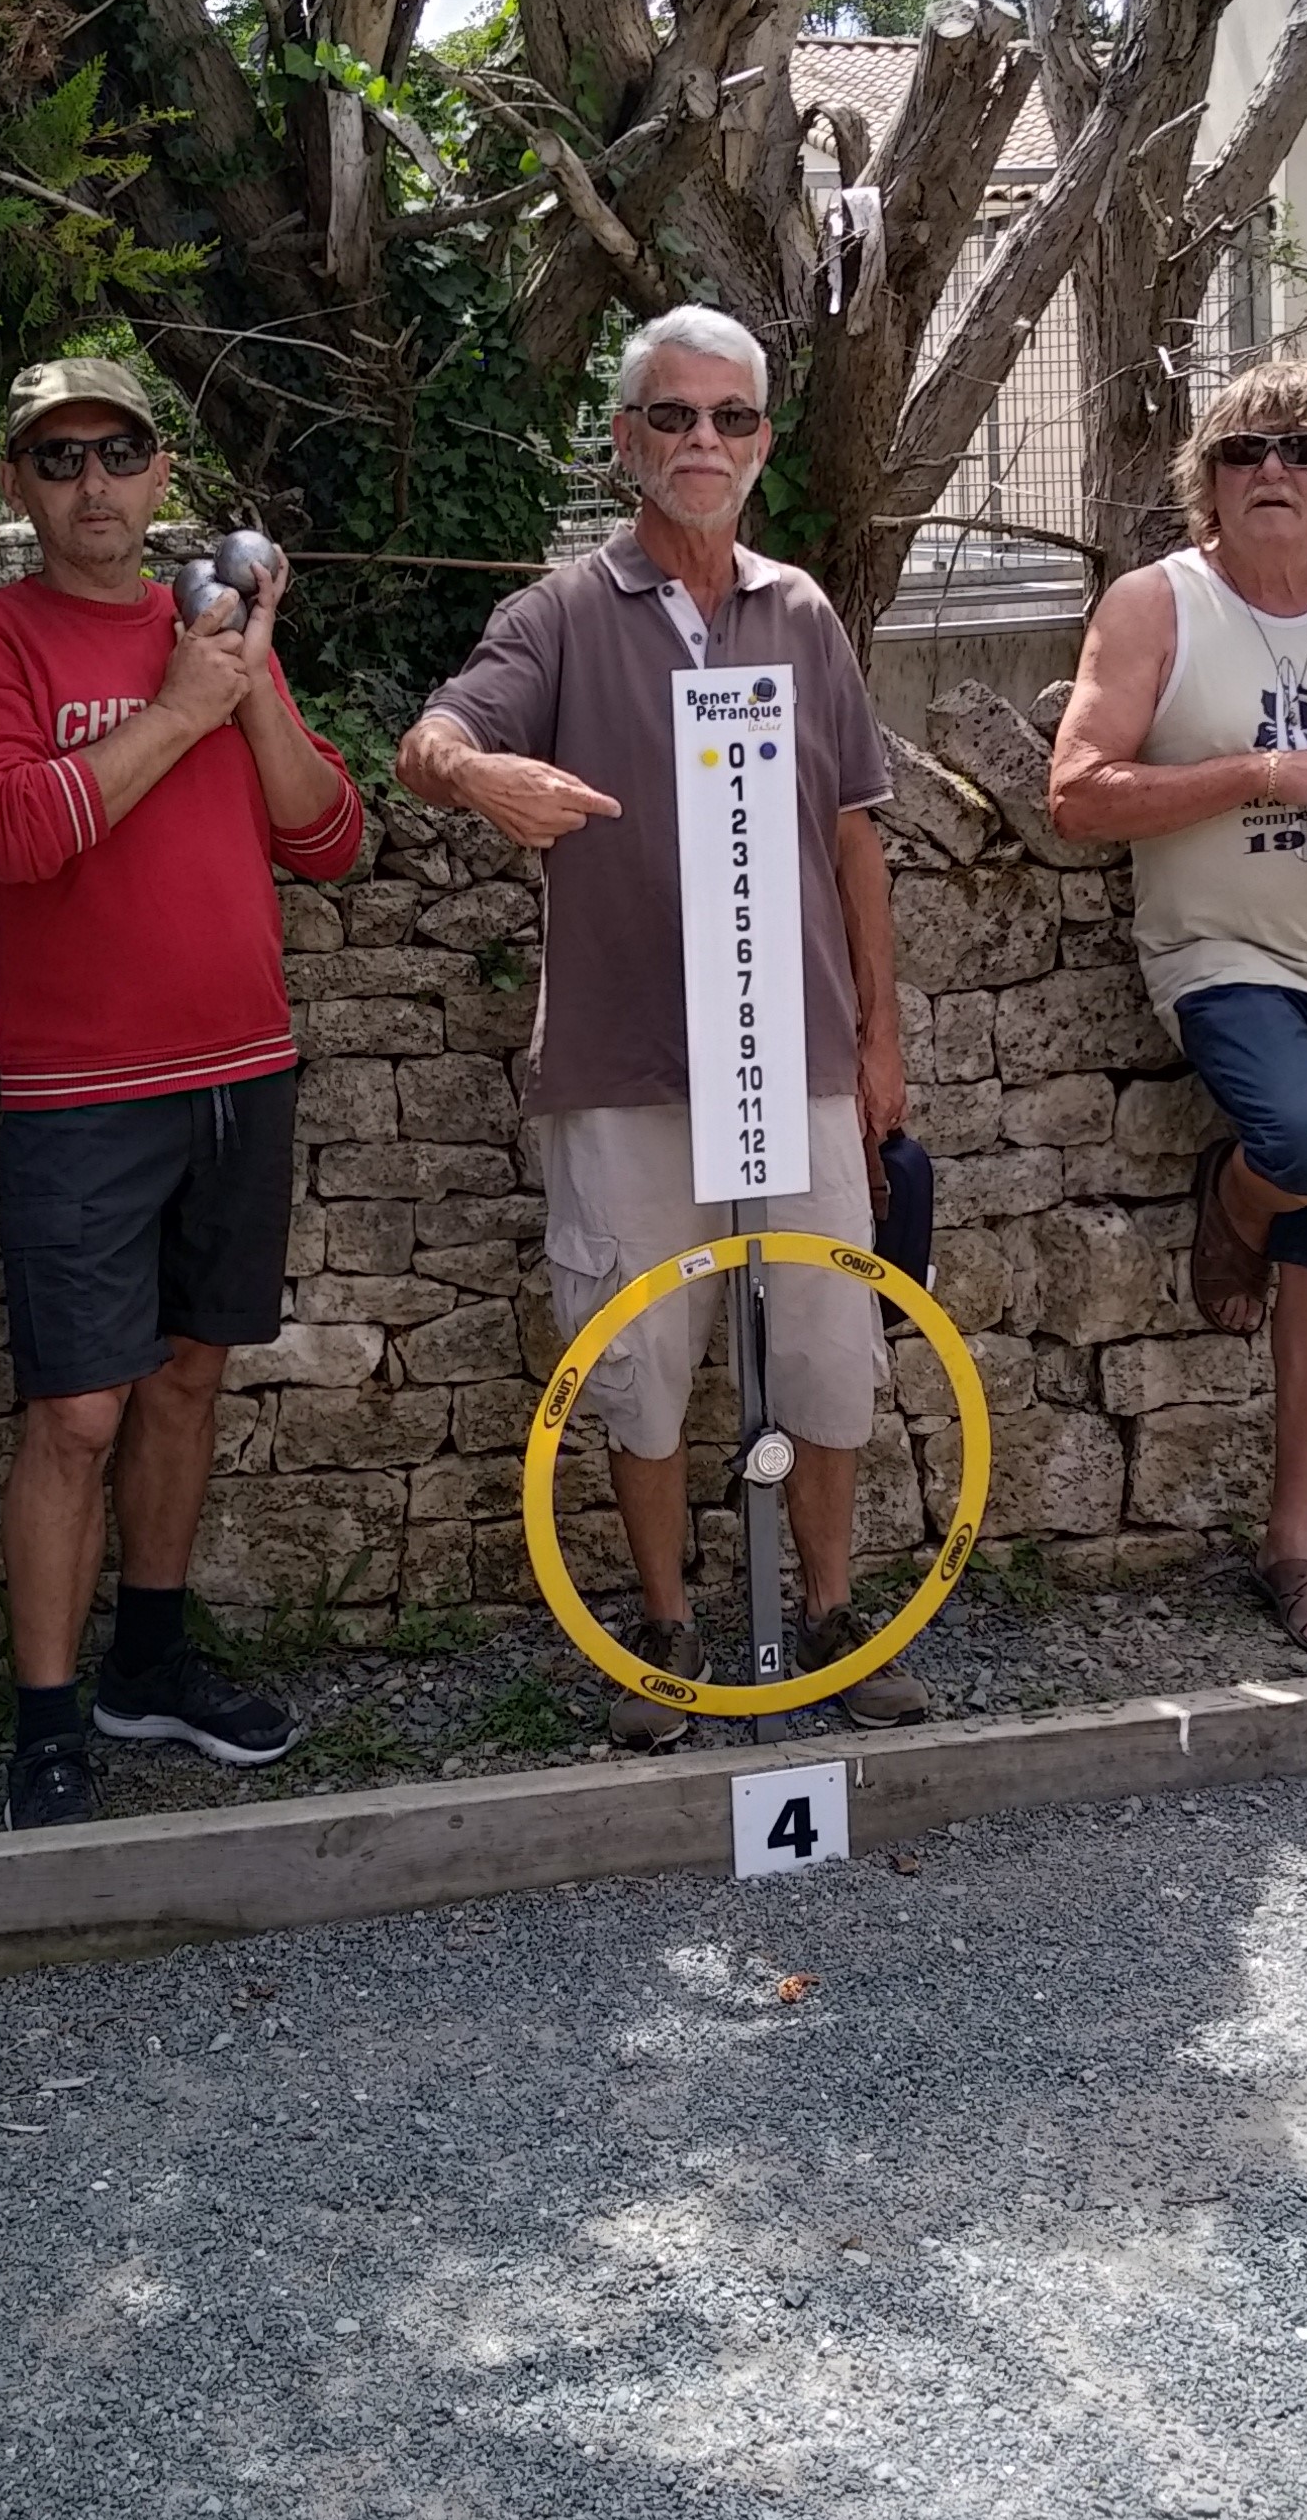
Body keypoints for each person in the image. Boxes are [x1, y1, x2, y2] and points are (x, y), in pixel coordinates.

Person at [395, 304, 922, 1744]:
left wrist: (879, 1041)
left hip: (796, 1058)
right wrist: (478, 777)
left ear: (762, 441)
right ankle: (669, 1630)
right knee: (639, 1363)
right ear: (627, 439)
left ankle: (831, 1615)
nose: (704, 440)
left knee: (824, 1345)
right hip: (624, 1067)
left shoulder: (803, 614)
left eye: (731, 417)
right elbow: (436, 736)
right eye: (674, 415)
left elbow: (856, 837)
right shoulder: (562, 614)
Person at [0, 358, 365, 1828]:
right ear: (16, 486)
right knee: (76, 1414)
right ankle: (47, 1724)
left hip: (239, 1069)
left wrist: (251, 679)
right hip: (81, 1093)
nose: (92, 482)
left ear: (162, 474)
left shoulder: (214, 634)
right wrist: (179, 707)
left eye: (118, 452)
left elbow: (329, 839)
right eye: (58, 459)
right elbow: (7, 835)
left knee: (187, 1380)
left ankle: (149, 1666)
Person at [1047, 360, 1307, 1659]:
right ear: (1207, 483)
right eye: (1242, 452)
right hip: (1220, 955)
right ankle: (1235, 1198)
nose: (1272, 469)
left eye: (1301, 450)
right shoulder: (1157, 603)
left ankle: (1294, 1543)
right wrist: (1262, 772)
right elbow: (1079, 792)